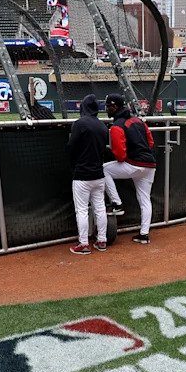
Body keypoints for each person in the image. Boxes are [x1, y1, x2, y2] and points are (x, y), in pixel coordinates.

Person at [102, 93, 157, 244]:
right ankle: (144, 235)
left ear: (114, 107)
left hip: (134, 164)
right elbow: (150, 142)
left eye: (108, 106)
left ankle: (116, 202)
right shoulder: (138, 120)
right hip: (150, 165)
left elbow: (119, 155)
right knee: (145, 200)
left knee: (104, 170)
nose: (106, 109)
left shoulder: (117, 126)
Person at [66, 94, 109, 255]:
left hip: (82, 175)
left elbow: (71, 147)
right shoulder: (103, 126)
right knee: (100, 208)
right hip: (99, 174)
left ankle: (84, 243)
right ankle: (102, 240)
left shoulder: (80, 124)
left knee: (82, 210)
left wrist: (73, 166)